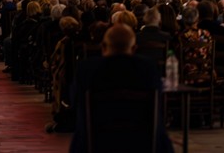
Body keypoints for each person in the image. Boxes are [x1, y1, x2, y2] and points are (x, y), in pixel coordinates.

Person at [69, 24, 173, 153]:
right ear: (134, 48)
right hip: (142, 141)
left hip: (97, 140)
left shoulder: (87, 69)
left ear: (103, 47)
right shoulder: (148, 68)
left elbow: (74, 101)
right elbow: (158, 103)